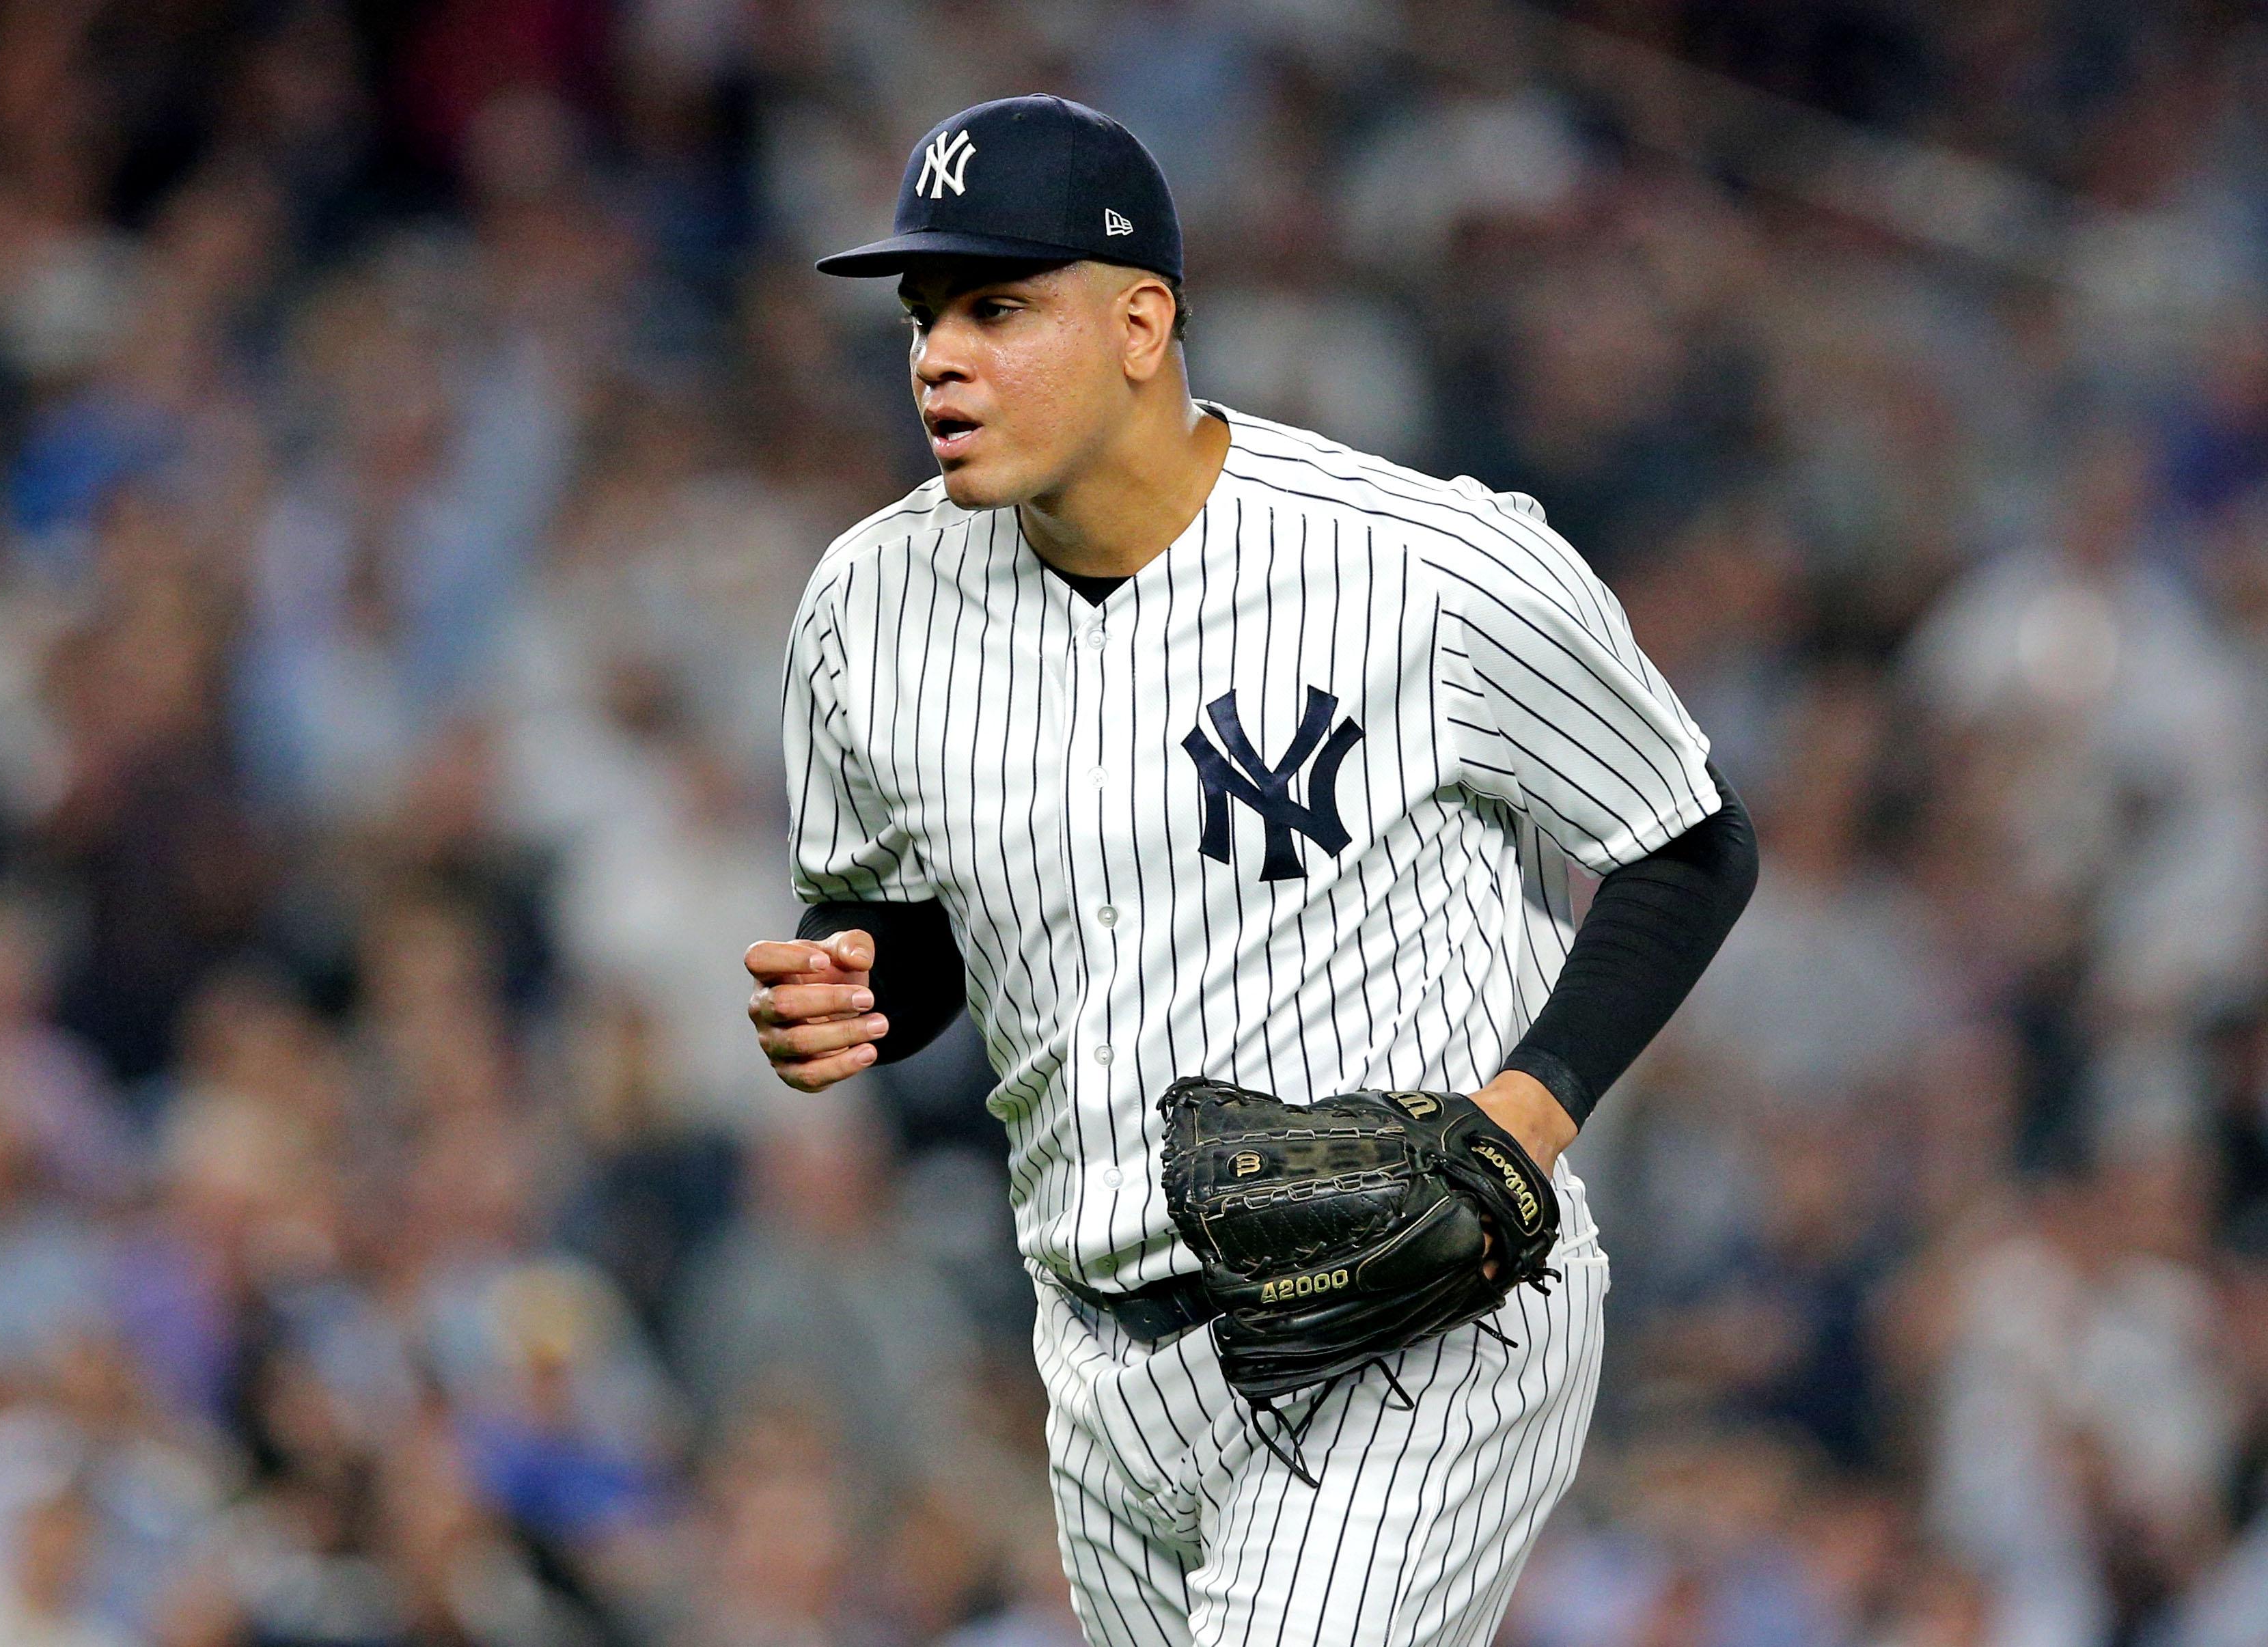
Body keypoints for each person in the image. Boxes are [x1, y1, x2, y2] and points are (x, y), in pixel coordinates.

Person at [743, 95, 1758, 1647]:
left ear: (1141, 323)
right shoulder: (866, 607)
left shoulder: (1422, 569)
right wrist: (854, 985)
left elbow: (1685, 842)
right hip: (1100, 1374)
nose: (938, 355)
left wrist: (1525, 1110)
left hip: (1421, 1325)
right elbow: (916, 917)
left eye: (997, 307)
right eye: (924, 312)